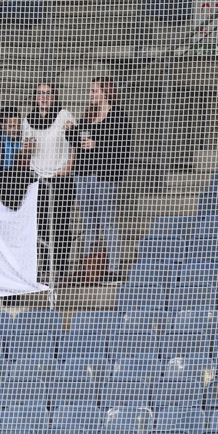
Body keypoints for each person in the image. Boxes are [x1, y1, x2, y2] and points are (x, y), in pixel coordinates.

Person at [67, 77, 132, 285]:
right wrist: (71, 131)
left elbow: (122, 146)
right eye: (91, 90)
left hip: (104, 175)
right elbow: (75, 139)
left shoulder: (118, 116)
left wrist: (97, 144)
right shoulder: (88, 115)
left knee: (106, 222)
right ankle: (90, 269)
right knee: (89, 223)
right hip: (82, 175)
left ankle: (112, 269)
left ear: (105, 92)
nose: (91, 94)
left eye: (95, 90)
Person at [21, 83, 77, 284]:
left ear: (54, 96)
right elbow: (26, 153)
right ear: (35, 97)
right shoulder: (28, 120)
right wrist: (26, 148)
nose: (44, 97)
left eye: (48, 94)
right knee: (42, 225)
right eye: (40, 94)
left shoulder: (63, 115)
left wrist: (67, 168)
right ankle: (45, 268)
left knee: (61, 224)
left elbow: (74, 144)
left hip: (60, 178)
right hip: (39, 179)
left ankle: (60, 270)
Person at [0, 107, 23, 171]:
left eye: (18, 125)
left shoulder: (22, 139)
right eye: (11, 126)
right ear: (2, 125)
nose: (16, 129)